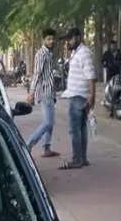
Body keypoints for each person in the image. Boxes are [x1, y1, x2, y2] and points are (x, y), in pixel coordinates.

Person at [59, 26, 96, 170]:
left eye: (69, 39)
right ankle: (82, 158)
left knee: (75, 129)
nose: (67, 42)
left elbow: (91, 76)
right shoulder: (77, 52)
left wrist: (92, 95)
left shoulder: (84, 53)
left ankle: (77, 160)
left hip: (79, 96)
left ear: (77, 38)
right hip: (78, 95)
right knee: (81, 128)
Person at [24, 28, 60, 158]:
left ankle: (47, 148)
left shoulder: (49, 54)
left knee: (49, 121)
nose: (51, 41)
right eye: (48, 39)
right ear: (43, 40)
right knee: (48, 122)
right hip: (44, 92)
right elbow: (37, 74)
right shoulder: (41, 54)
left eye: (52, 38)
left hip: (50, 91)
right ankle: (28, 144)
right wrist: (31, 92)